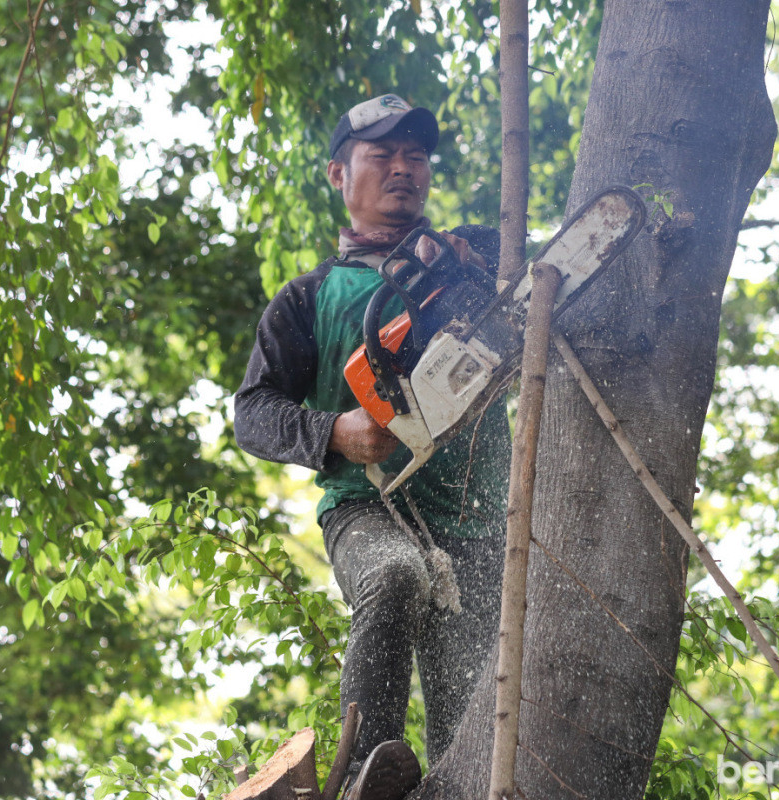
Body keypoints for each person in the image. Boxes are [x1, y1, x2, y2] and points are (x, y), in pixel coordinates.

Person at [234, 93, 510, 800]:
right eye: (382, 154)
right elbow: (253, 411)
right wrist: (335, 430)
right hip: (366, 508)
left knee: (471, 726)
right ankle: (361, 777)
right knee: (395, 577)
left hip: (478, 526)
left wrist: (477, 264)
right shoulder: (308, 299)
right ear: (338, 174)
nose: (402, 167)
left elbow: (537, 272)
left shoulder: (466, 258)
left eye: (414, 155)